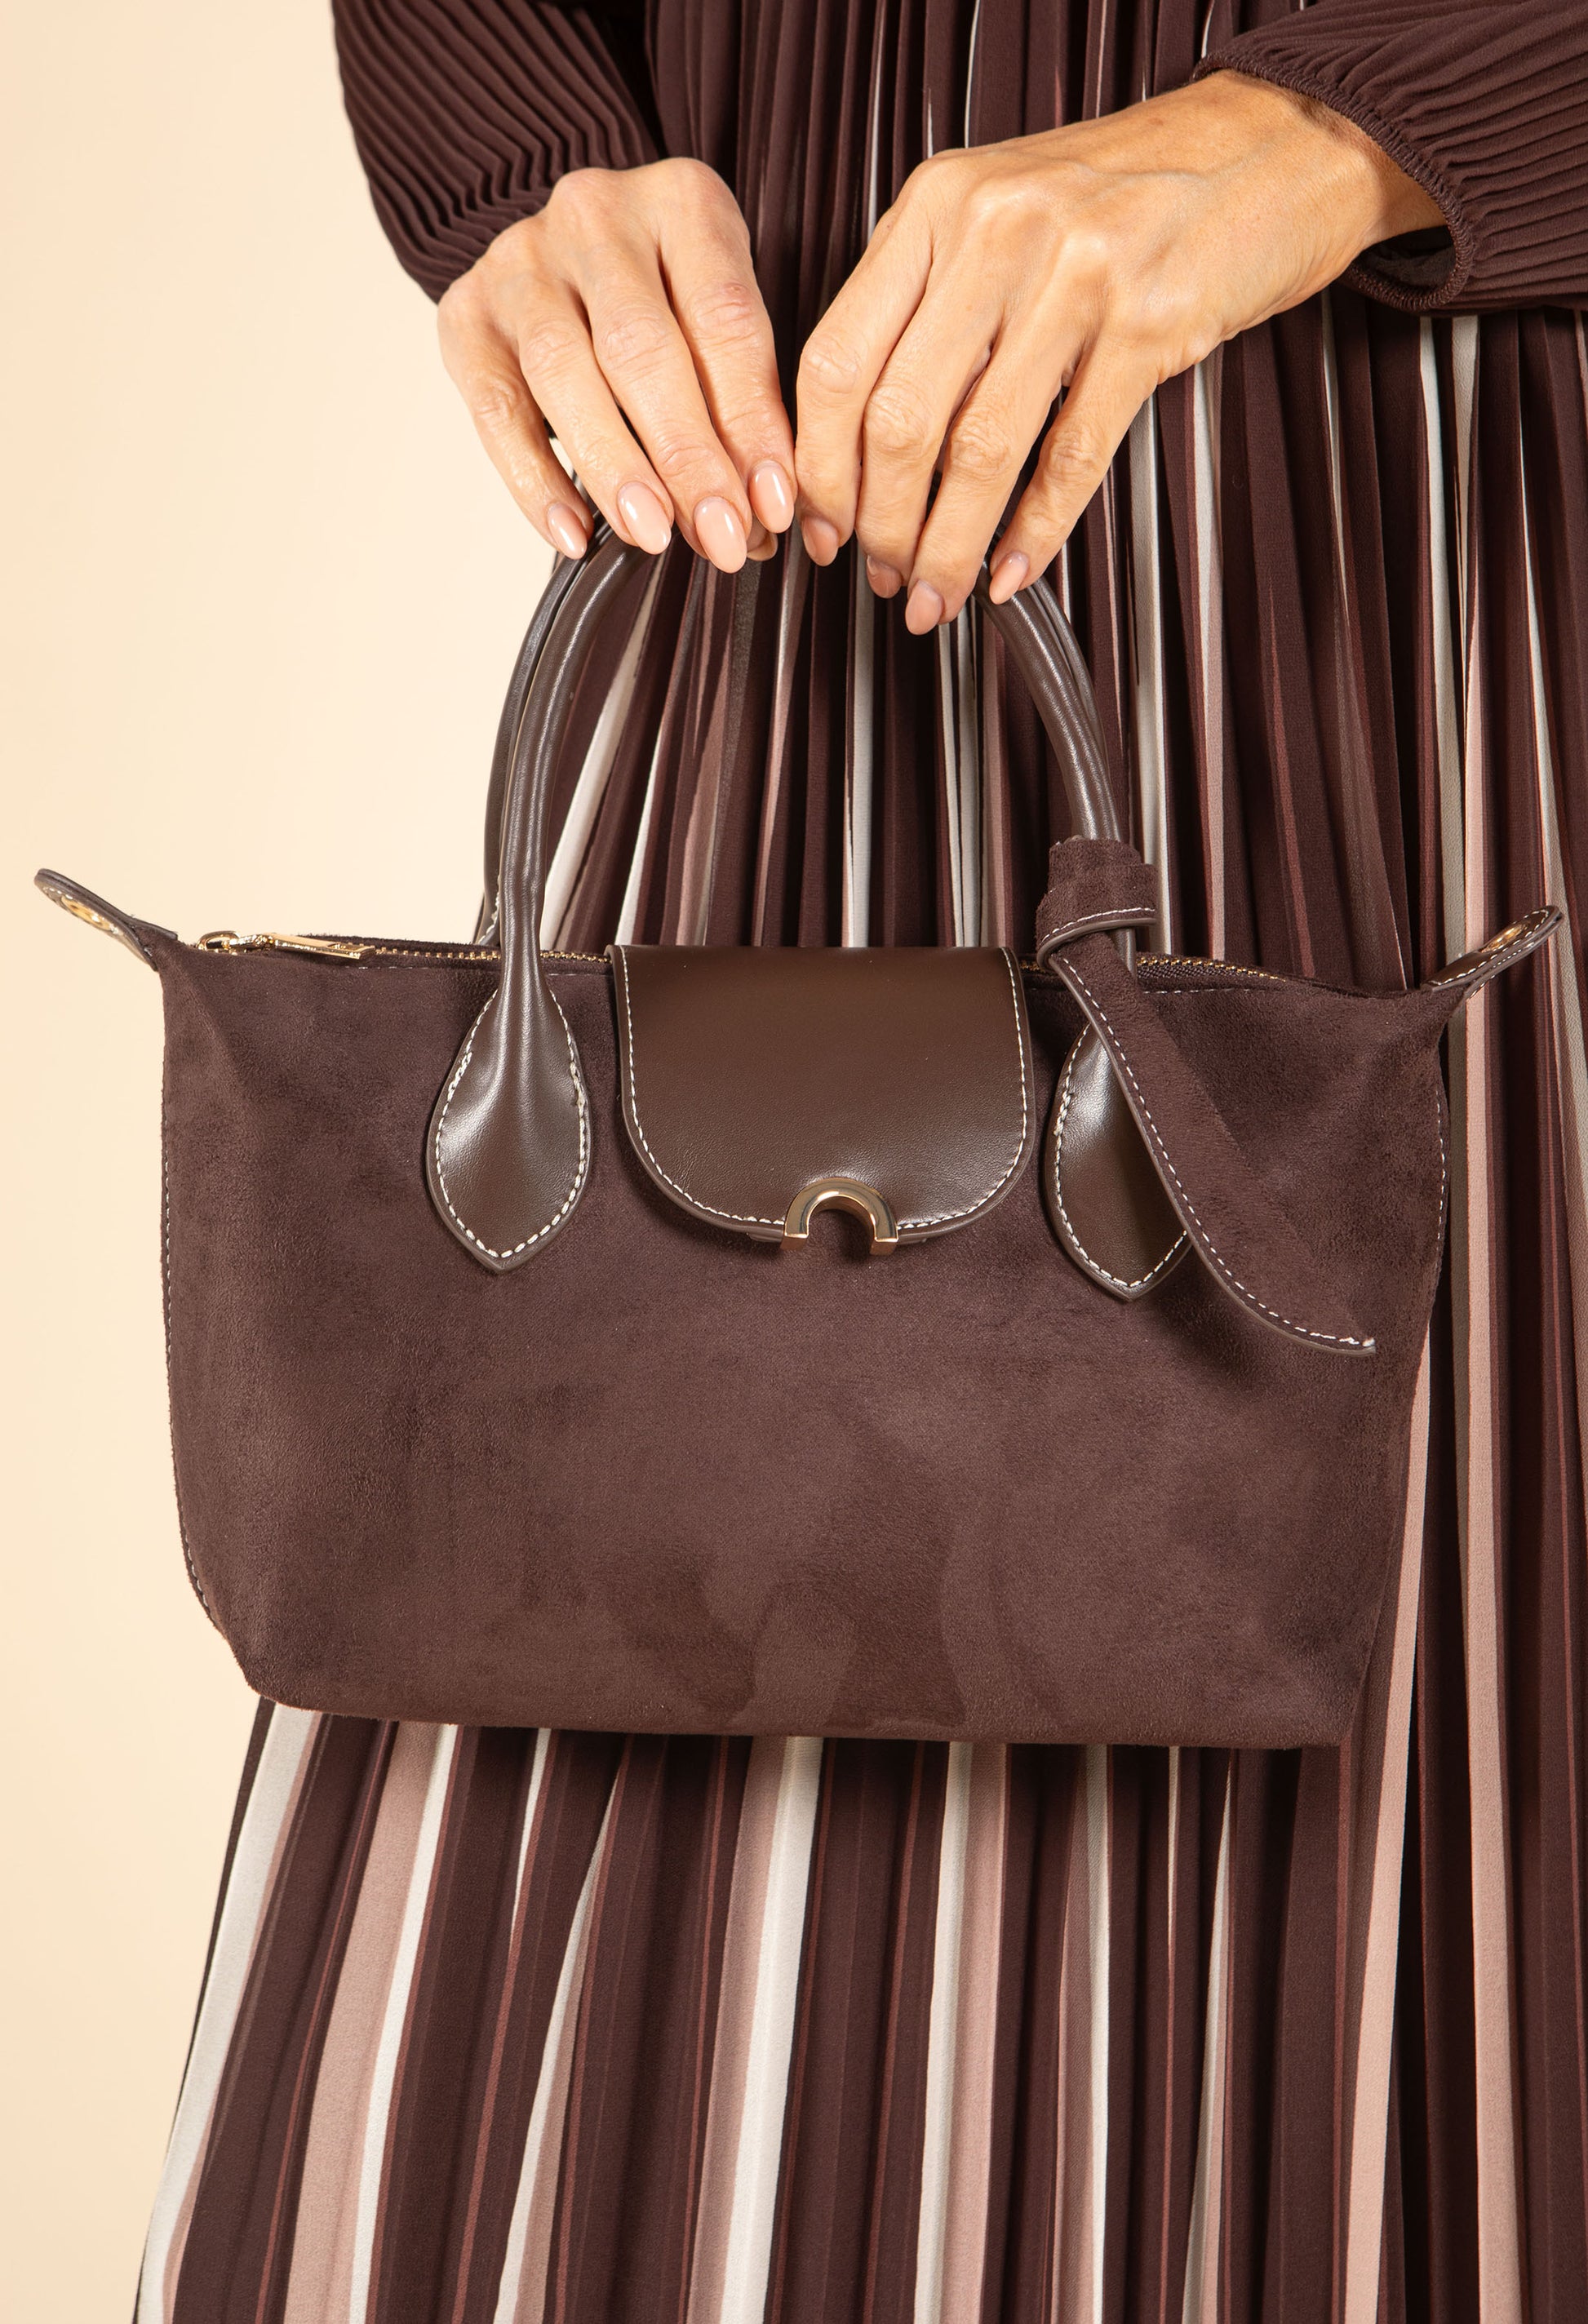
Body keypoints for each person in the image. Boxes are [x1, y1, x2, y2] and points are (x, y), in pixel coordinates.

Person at [138, 6, 1588, 2318]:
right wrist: (520, 145)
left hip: (1433, 525)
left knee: (1439, 1707)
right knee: (637, 1580)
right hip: (800, 493)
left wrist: (1354, 127)